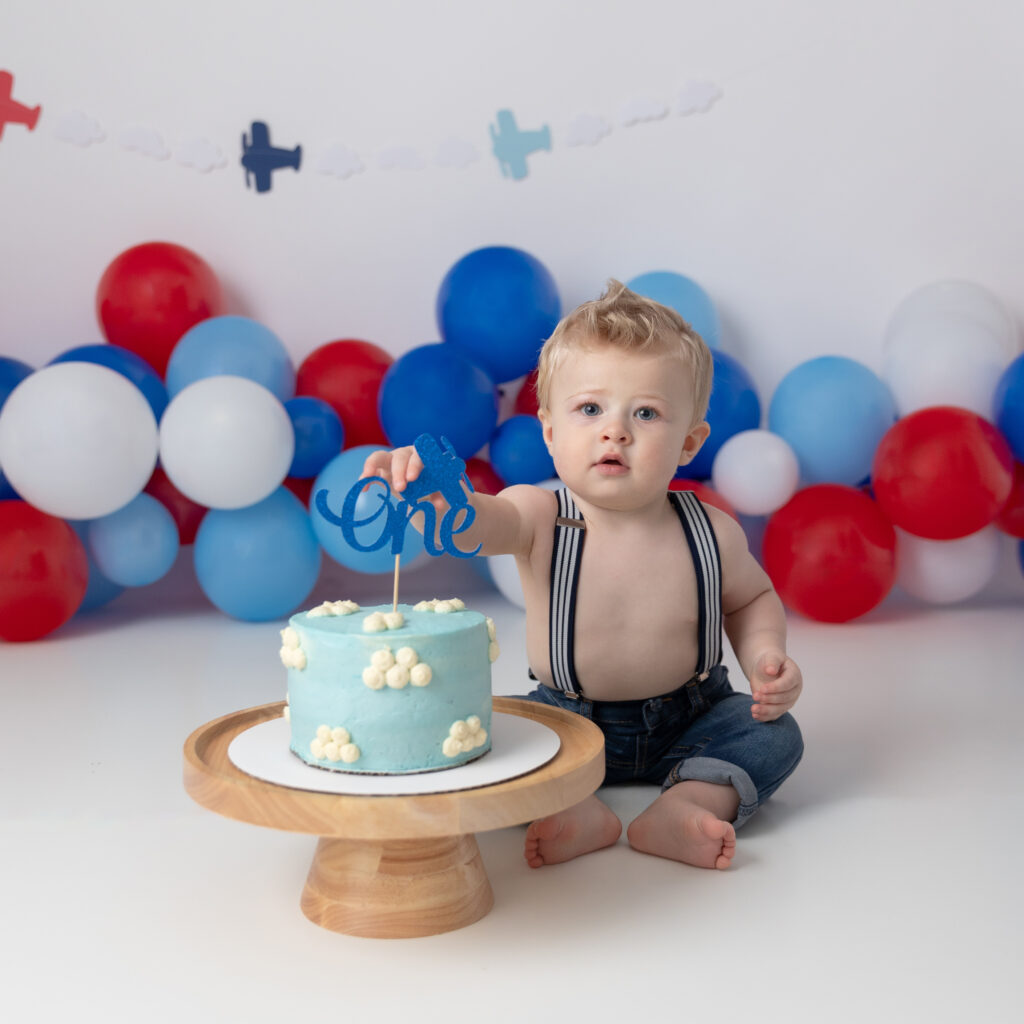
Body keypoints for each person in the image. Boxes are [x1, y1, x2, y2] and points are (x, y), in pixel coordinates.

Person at [361, 280, 804, 871]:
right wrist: (438, 498)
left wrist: (767, 656)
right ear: (550, 431)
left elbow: (750, 600)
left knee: (775, 735)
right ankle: (573, 804)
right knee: (481, 730)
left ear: (689, 443)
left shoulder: (710, 530)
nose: (614, 430)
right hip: (567, 717)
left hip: (691, 716)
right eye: (590, 409)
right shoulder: (540, 515)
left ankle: (689, 802)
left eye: (645, 413)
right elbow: (478, 525)